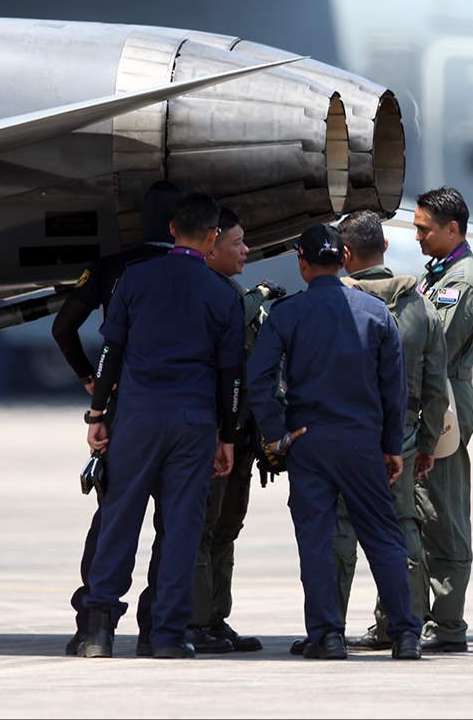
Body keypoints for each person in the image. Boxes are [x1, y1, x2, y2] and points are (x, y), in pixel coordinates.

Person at [78, 192, 246, 659]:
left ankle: (99, 632)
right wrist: (226, 436)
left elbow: (109, 353)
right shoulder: (222, 294)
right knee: (180, 528)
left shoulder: (136, 278)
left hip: (136, 418)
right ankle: (167, 636)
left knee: (119, 520)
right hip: (193, 424)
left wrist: (96, 414)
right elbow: (231, 377)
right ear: (213, 237)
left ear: (172, 230)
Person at [247, 223, 423, 661]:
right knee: (383, 536)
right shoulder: (379, 313)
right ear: (344, 258)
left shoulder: (287, 314)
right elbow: (393, 388)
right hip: (363, 443)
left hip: (309, 443)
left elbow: (258, 380)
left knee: (316, 540)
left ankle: (326, 635)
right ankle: (404, 635)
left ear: (302, 264)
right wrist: (389, 445)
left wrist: (277, 434)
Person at [50, 179, 185, 657]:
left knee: (113, 518)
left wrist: (92, 383)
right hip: (185, 414)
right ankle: (159, 630)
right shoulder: (194, 271)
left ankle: (93, 624)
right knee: (177, 524)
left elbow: (63, 327)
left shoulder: (111, 267)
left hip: (123, 405)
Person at [329, 210, 449, 651]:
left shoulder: (336, 302)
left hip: (345, 431)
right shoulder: (420, 305)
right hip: (402, 433)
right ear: (383, 247)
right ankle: (402, 628)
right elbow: (437, 386)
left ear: (345, 254)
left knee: (340, 528)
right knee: (402, 530)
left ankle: (329, 630)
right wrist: (427, 444)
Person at [187, 207, 286, 653]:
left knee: (227, 528)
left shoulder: (235, 290)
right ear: (211, 246)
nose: (246, 250)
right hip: (212, 434)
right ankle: (193, 622)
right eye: (236, 244)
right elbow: (222, 336)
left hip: (241, 433)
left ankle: (215, 618)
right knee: (203, 529)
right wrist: (259, 296)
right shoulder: (206, 292)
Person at [412, 186, 473, 653]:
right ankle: (404, 617)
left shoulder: (465, 282)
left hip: (442, 410)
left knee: (442, 515)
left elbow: (434, 347)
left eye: (425, 228)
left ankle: (447, 624)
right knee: (411, 515)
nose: (418, 235)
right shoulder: (437, 273)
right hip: (421, 402)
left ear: (452, 229)